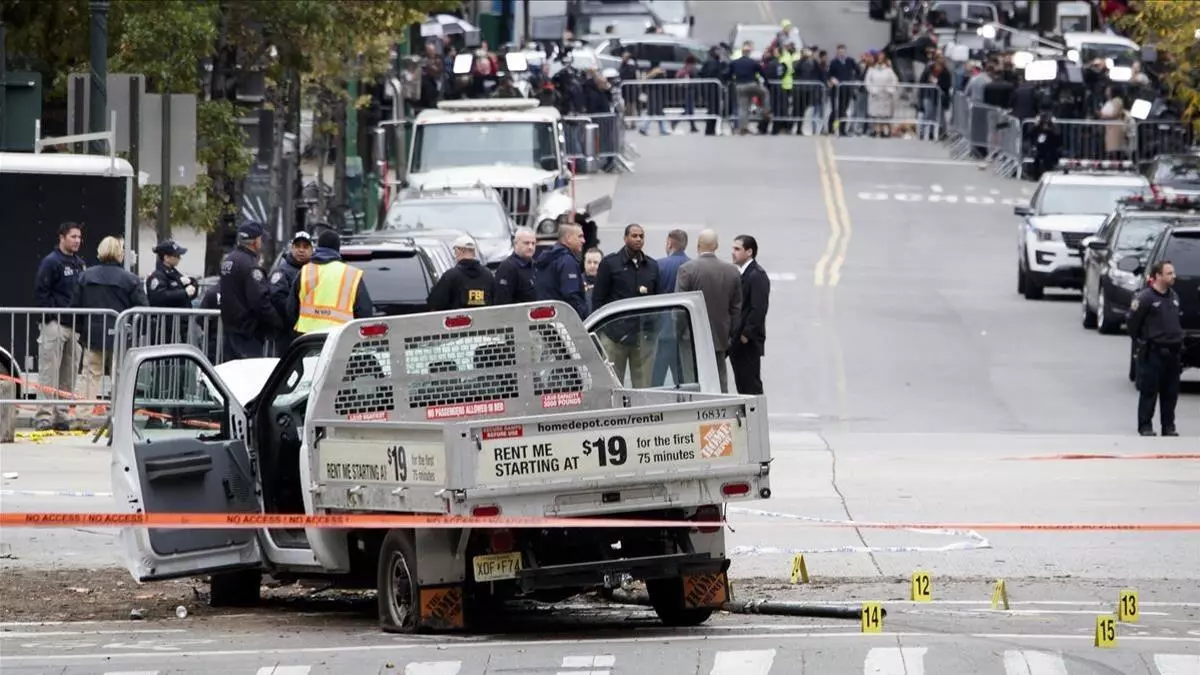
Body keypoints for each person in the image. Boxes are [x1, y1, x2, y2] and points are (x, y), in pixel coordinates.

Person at [71, 236, 147, 408]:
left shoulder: (85, 276)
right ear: (120, 253)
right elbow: (143, 308)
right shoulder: (131, 279)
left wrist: (82, 330)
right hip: (121, 333)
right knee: (120, 375)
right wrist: (134, 333)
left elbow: (75, 306)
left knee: (90, 375)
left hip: (93, 333)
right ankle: (120, 414)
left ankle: (84, 414)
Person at [33, 222, 86, 431]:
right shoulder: (51, 262)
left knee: (69, 373)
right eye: (73, 236)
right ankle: (44, 416)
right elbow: (41, 292)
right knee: (49, 371)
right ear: (62, 237)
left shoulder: (80, 264)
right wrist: (51, 316)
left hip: (74, 325)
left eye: (79, 237)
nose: (77, 241)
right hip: (55, 324)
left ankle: (62, 414)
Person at [592, 224, 660, 387]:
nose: (638, 239)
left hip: (643, 337)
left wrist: (652, 329)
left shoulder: (652, 266)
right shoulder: (610, 264)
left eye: (641, 236)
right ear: (625, 238)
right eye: (634, 236)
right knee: (613, 386)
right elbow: (598, 299)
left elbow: (658, 300)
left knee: (643, 388)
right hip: (614, 337)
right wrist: (603, 331)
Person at [676, 230, 742, 393]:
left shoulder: (687, 270)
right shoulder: (732, 271)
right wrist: (729, 335)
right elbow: (736, 309)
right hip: (719, 337)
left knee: (692, 383)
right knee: (719, 383)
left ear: (698, 245)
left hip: (691, 338)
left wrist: (678, 333)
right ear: (716, 246)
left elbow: (679, 309)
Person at [1127, 262, 1183, 436]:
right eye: (1169, 273)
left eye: (1173, 272)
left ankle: (1168, 426)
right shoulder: (1145, 298)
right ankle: (1145, 426)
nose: (1173, 276)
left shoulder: (1174, 296)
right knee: (1149, 391)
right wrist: (1142, 342)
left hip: (1173, 353)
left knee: (1170, 393)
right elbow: (1132, 323)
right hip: (1153, 352)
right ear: (1158, 276)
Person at [218, 222, 282, 360]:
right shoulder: (250, 265)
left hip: (230, 330)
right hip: (248, 333)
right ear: (255, 241)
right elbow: (259, 301)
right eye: (260, 238)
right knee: (249, 371)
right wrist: (277, 321)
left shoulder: (229, 260)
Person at [292, 230, 373, 334]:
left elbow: (291, 309)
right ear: (337, 248)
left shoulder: (305, 271)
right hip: (340, 337)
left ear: (318, 247)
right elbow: (365, 312)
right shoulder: (351, 274)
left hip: (308, 338)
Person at [729, 235, 770, 396]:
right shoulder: (743, 273)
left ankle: (757, 413)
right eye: (733, 248)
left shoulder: (757, 275)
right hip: (738, 341)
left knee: (751, 386)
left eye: (737, 249)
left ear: (749, 252)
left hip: (748, 343)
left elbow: (759, 308)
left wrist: (746, 334)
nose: (733, 252)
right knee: (742, 386)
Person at [651, 229, 690, 387]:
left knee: (656, 381)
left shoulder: (658, 265)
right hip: (684, 332)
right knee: (683, 381)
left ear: (669, 244)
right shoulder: (692, 266)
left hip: (661, 331)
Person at [269, 231, 314, 351]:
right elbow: (277, 298)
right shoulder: (282, 272)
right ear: (291, 248)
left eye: (305, 247)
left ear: (311, 250)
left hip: (312, 331)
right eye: (297, 246)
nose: (301, 250)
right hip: (288, 333)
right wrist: (296, 314)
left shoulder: (316, 271)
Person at [427, 235, 496, 311]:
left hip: (457, 318)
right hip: (485, 318)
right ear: (473, 252)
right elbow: (496, 301)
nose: (455, 254)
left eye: (455, 250)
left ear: (460, 250)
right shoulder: (488, 275)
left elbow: (435, 304)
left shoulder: (450, 276)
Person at [534, 224, 589, 319]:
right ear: (568, 238)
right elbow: (571, 295)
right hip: (563, 319)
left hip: (547, 317)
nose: (583, 241)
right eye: (580, 236)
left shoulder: (549, 257)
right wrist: (584, 315)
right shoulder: (567, 261)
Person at [493, 228, 538, 305]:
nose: (530, 247)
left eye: (533, 243)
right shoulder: (507, 268)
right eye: (526, 243)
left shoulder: (535, 266)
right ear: (515, 244)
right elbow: (502, 302)